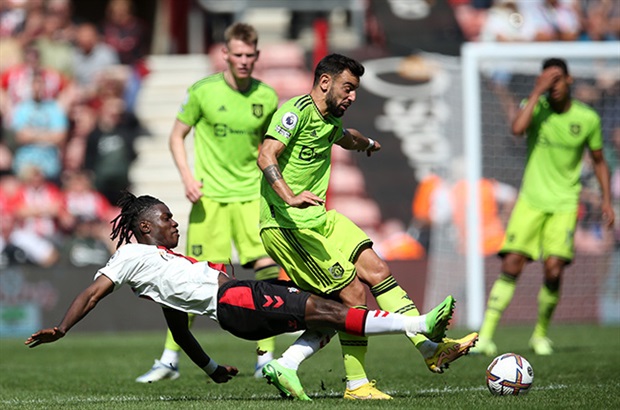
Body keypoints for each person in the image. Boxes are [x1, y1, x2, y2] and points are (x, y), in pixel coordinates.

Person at [24, 191, 457, 392]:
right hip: (235, 302)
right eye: (167, 219)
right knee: (329, 308)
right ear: (144, 228)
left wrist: (212, 368)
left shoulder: (163, 271)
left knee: (333, 308)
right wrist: (62, 328)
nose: (175, 224)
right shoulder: (130, 258)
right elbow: (91, 293)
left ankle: (286, 365)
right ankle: (421, 325)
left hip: (239, 306)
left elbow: (180, 328)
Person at [257, 53, 478, 400]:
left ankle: (428, 347)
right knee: (353, 296)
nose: (353, 96)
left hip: (320, 219)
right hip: (287, 224)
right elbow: (266, 155)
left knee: (376, 269)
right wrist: (288, 196)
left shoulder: (328, 121)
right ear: (325, 82)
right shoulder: (294, 111)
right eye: (348, 88)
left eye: (356, 90)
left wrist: (368, 144)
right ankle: (357, 384)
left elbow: (346, 137)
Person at [136, 22, 283, 383]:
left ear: (257, 55)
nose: (244, 61)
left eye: (250, 55)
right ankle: (170, 359)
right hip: (211, 201)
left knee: (267, 270)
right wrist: (187, 177)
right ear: (225, 55)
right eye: (238, 54)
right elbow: (176, 137)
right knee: (189, 281)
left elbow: (273, 147)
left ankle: (267, 355)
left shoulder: (267, 97)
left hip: (251, 197)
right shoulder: (203, 92)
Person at [472, 58, 615, 357]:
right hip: (531, 201)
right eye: (547, 81)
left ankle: (540, 334)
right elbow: (516, 128)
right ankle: (485, 336)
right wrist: (536, 92)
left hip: (564, 204)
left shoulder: (586, 118)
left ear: (570, 80)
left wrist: (605, 200)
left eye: (557, 80)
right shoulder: (536, 106)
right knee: (511, 263)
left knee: (553, 270)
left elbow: (599, 160)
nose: (554, 86)